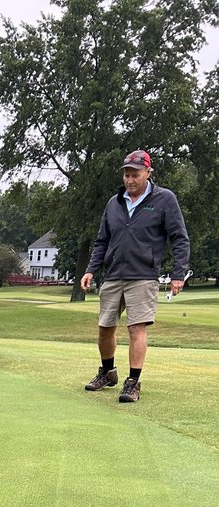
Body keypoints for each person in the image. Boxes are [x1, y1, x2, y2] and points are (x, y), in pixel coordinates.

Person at [80, 150, 190, 403]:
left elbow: (179, 238)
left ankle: (133, 382)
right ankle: (108, 373)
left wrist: (178, 274)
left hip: (143, 274)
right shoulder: (114, 203)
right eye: (126, 175)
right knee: (104, 328)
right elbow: (102, 241)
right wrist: (90, 269)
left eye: (135, 175)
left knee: (136, 328)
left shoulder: (164, 200)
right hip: (113, 273)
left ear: (148, 173)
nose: (130, 180)